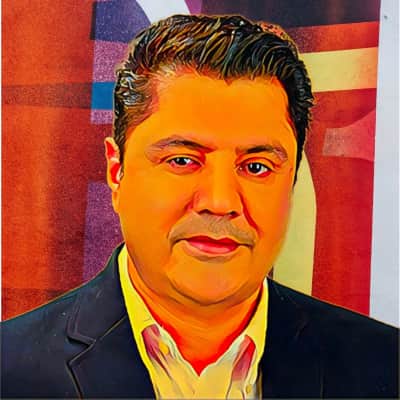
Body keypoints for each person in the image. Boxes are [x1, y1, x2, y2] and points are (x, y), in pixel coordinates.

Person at [1, 14, 398, 399]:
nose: (220, 202)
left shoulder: (385, 366)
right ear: (117, 171)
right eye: (182, 161)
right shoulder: (11, 370)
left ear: (292, 182)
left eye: (256, 167)